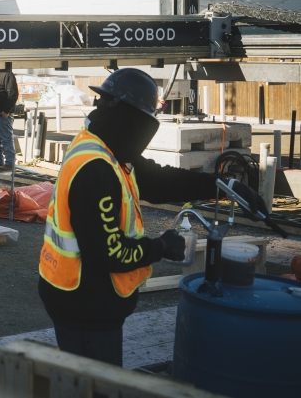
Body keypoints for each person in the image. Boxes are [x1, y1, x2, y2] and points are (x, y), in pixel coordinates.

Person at [38, 68, 266, 366]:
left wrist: (223, 186)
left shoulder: (107, 148)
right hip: (84, 305)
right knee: (94, 387)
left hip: (83, 300)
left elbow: (160, 181)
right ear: (134, 119)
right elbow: (108, 253)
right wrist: (161, 247)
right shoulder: (97, 169)